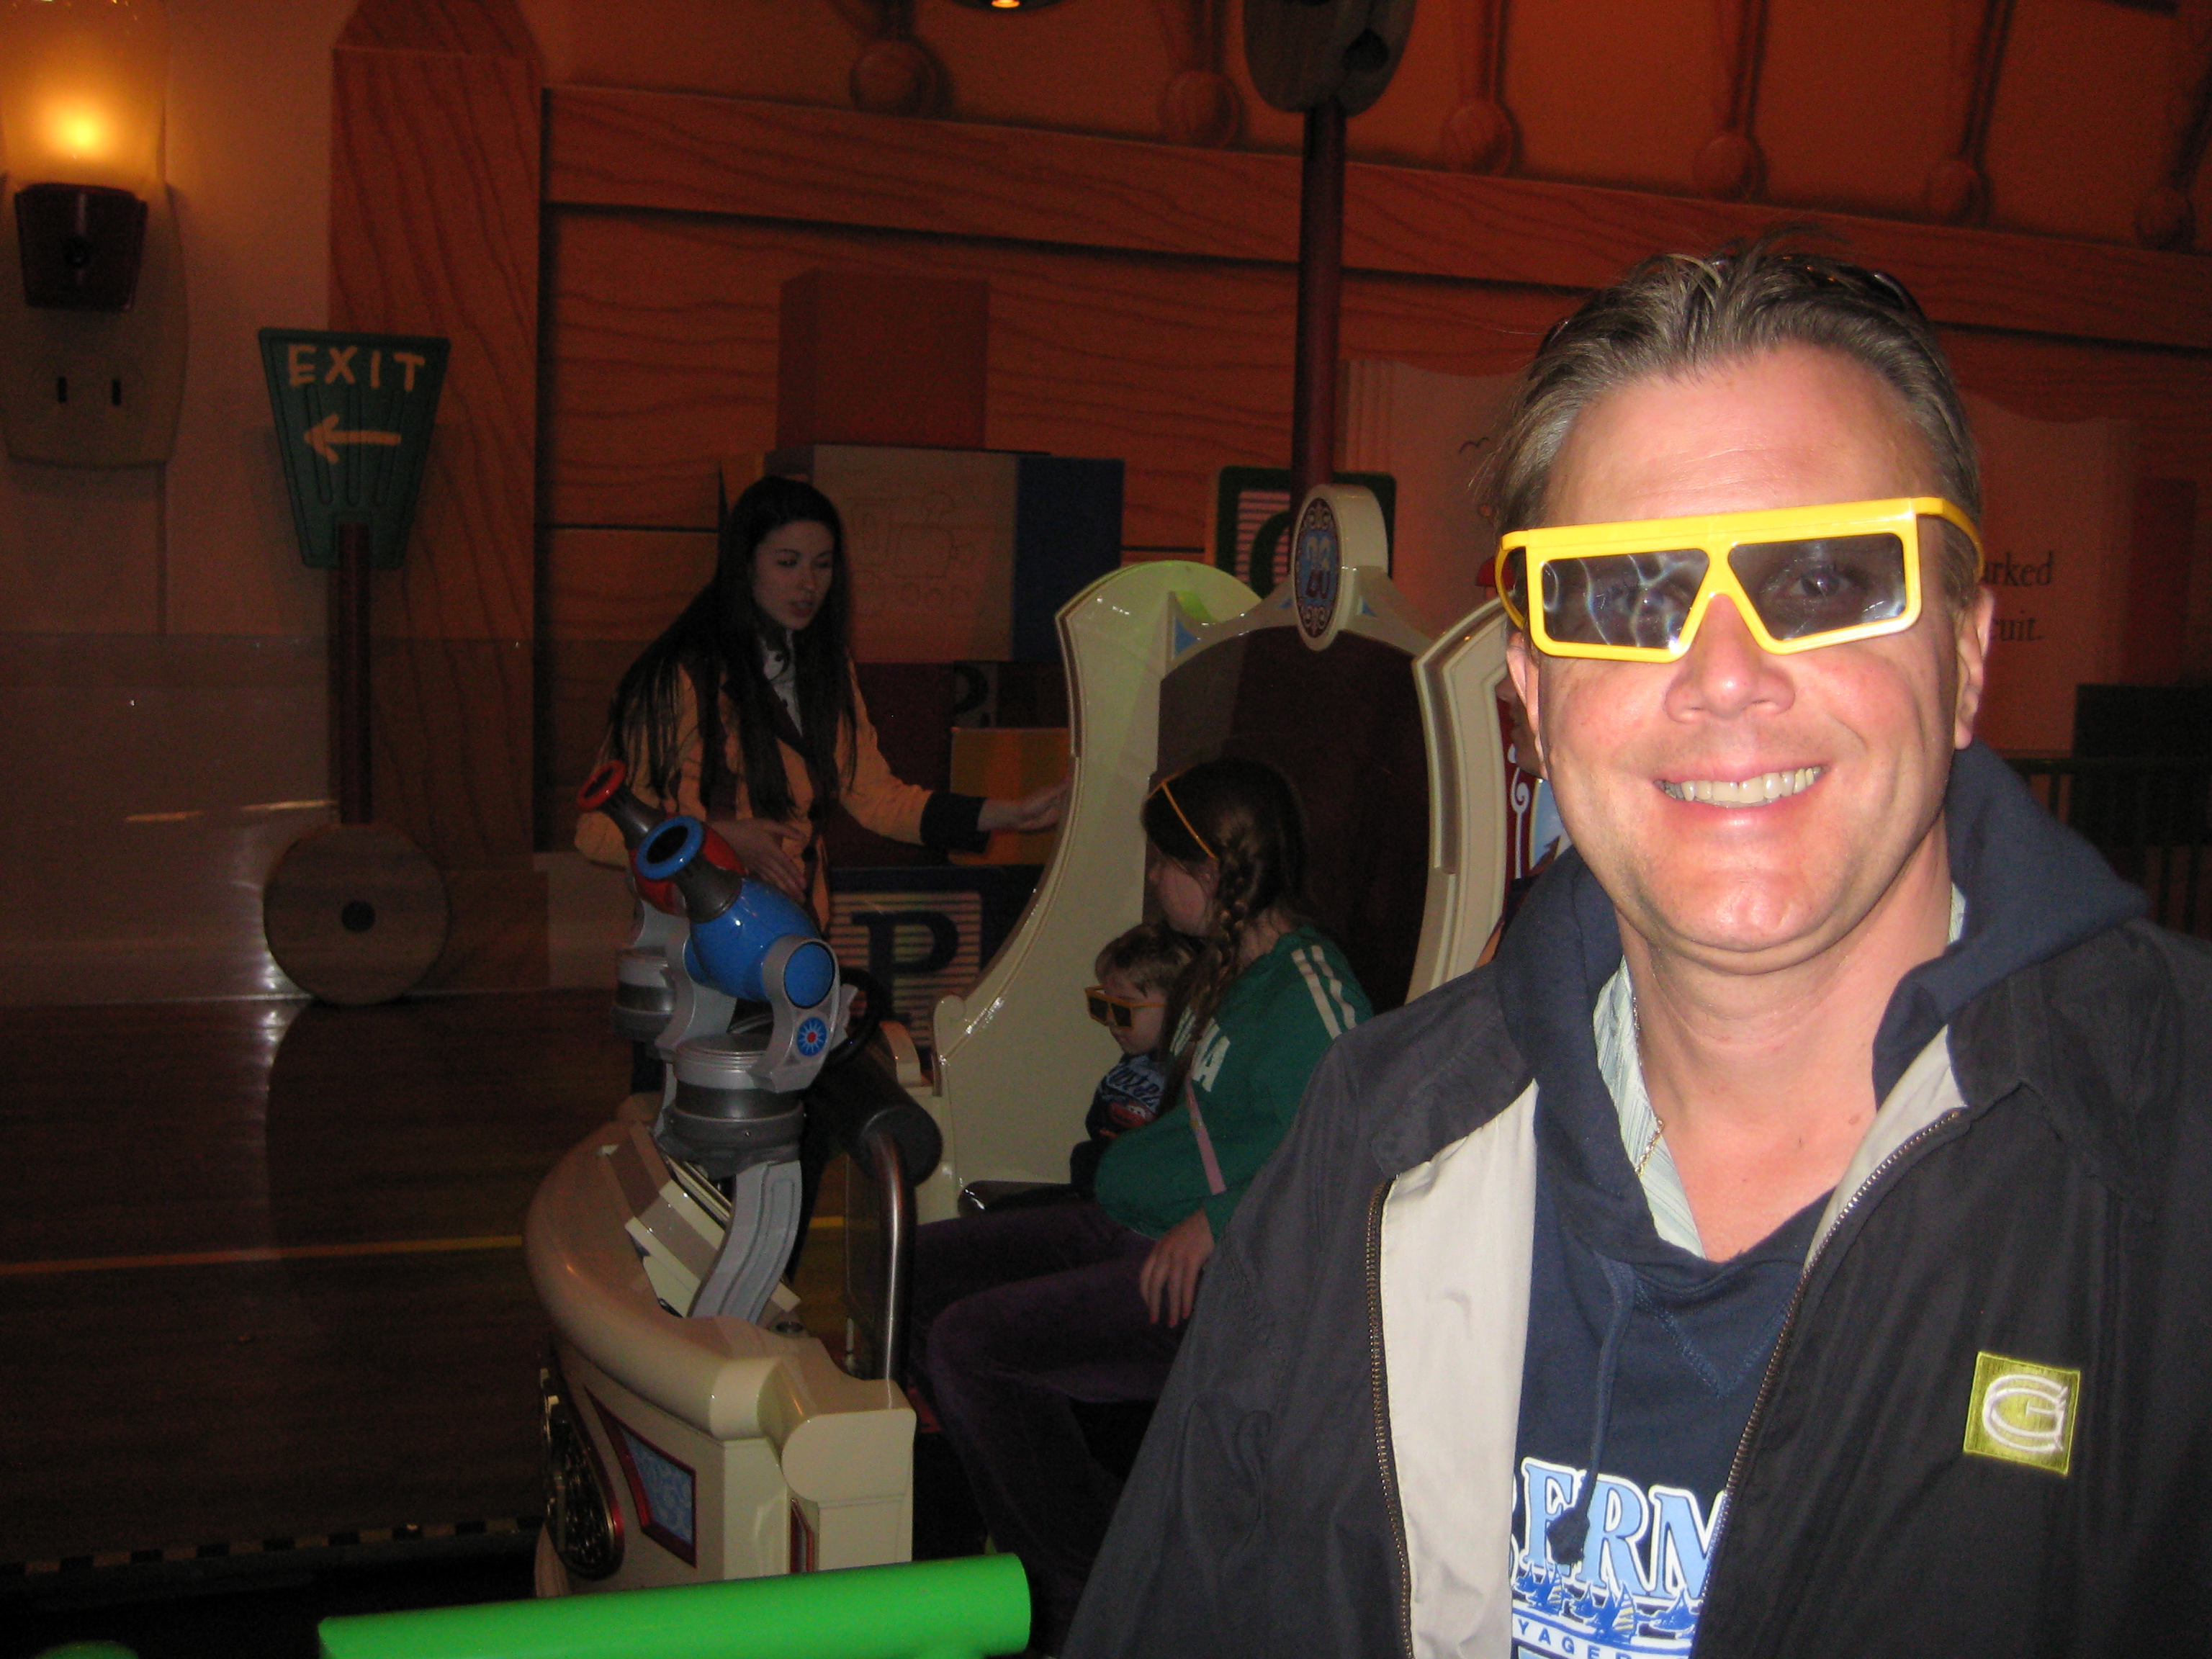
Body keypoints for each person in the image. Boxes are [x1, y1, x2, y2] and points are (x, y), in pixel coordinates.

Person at [1068, 240, 2212, 1659]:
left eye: (1826, 575)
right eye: (1623, 594)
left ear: (1968, 653)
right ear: (1536, 696)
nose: (1724, 674)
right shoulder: (1372, 1148)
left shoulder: (2174, 1162)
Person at [911, 756, 1370, 1656]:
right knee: (913, 1272)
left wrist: (1219, 1224)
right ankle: (1011, 1522)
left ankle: (1086, 1587)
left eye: (1165, 862)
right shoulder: (1223, 966)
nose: (1153, 879)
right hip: (1129, 1223)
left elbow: (1358, 1159)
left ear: (1215, 871)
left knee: (970, 1347)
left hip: (1215, 1280)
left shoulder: (1311, 991)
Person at [575, 472, 1064, 925]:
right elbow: (598, 831)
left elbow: (876, 798)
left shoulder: (825, 666)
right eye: (787, 563)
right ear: (744, 565)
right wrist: (714, 838)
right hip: (698, 938)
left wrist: (1010, 813)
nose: (808, 584)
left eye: (823, 565)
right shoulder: (679, 677)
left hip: (793, 928)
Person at [1069, 921, 1199, 1196]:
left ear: (1180, 1004)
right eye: (1106, 1005)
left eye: (1126, 1007)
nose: (1111, 1020)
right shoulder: (1134, 1060)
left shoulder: (1189, 1071)